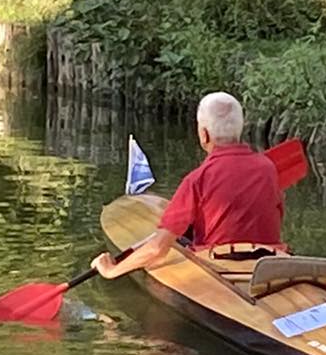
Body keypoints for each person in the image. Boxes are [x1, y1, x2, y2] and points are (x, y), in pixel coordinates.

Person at [93, 92, 284, 282]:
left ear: (204, 134)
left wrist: (112, 270)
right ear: (239, 129)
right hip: (269, 262)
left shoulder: (197, 179)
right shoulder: (268, 168)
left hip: (217, 267)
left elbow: (157, 249)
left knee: (176, 242)